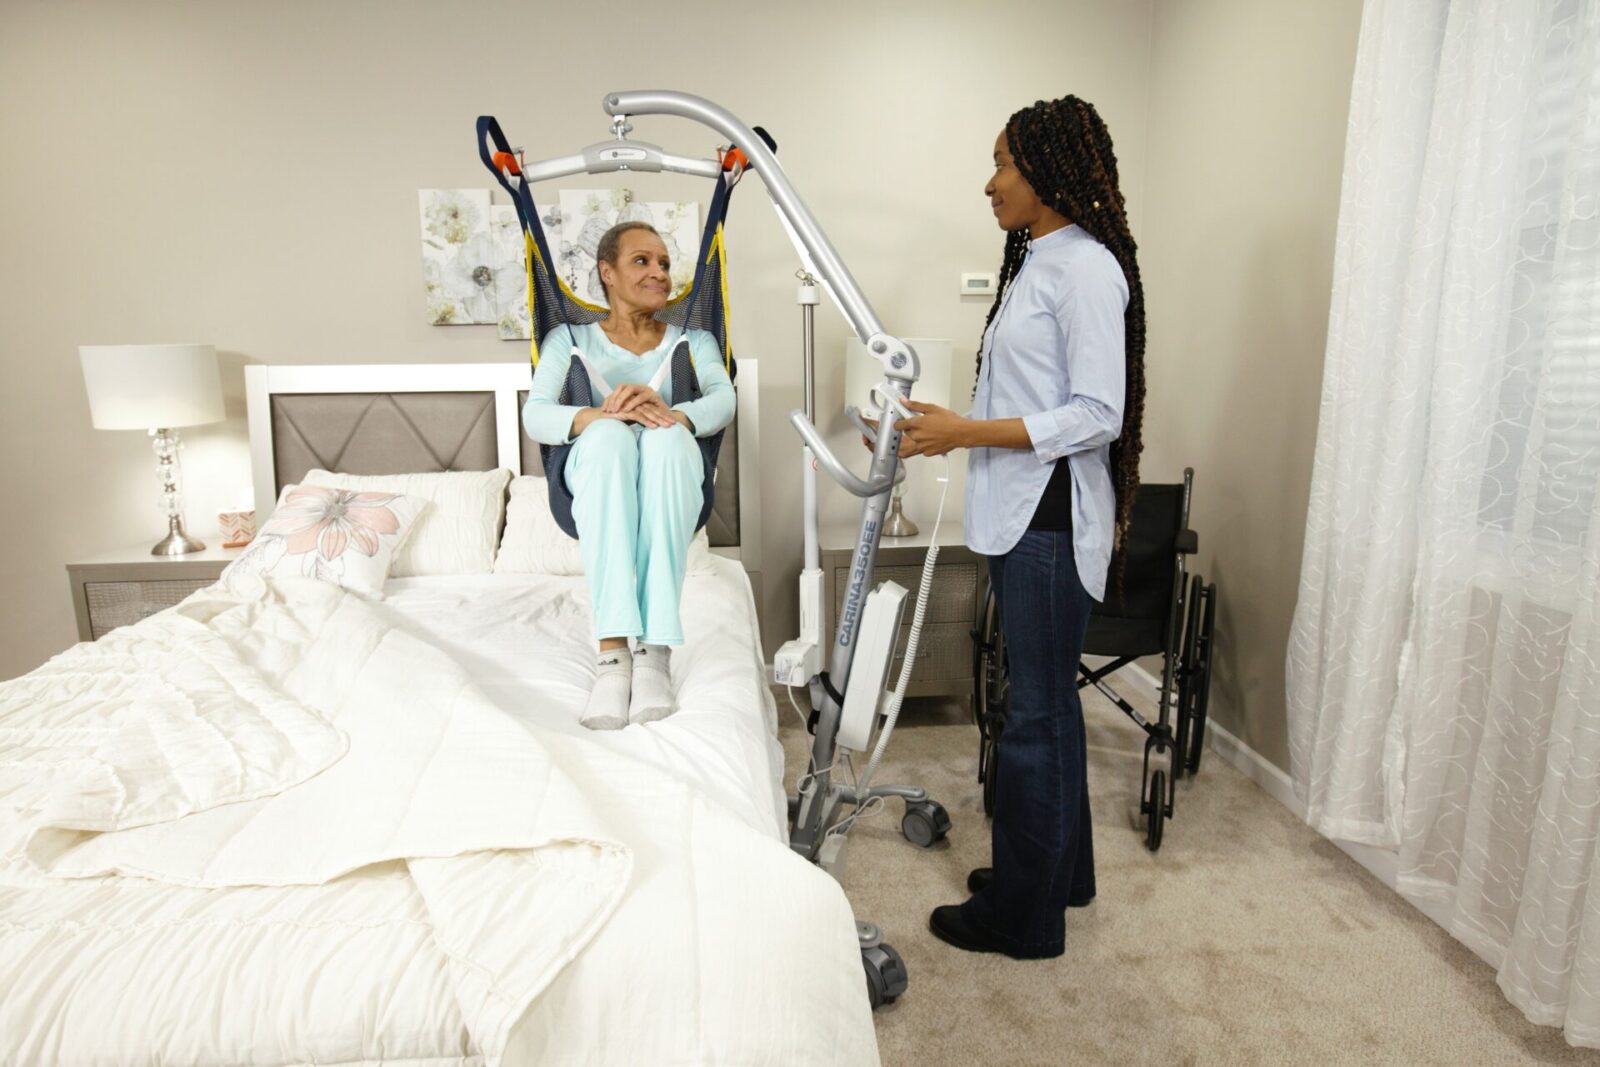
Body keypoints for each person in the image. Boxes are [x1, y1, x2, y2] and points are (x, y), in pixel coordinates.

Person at [891, 96, 1146, 959]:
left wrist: (964, 433)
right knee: (1047, 706)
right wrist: (952, 423)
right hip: (1023, 515)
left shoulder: (1085, 270)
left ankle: (1024, 919)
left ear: (1047, 169)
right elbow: (1030, 396)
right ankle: (1058, 879)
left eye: (1002, 162)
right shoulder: (1037, 264)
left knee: (1035, 714)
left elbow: (1098, 412)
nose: (990, 182)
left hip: (1049, 520)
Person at [522, 221, 735, 730]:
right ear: (608, 272)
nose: (659, 272)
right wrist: (604, 416)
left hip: (673, 475)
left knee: (666, 438)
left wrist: (669, 412)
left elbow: (723, 400)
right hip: (595, 474)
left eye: (664, 263)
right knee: (609, 438)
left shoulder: (694, 341)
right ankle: (614, 654)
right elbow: (536, 414)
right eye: (642, 261)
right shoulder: (568, 339)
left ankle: (654, 652)